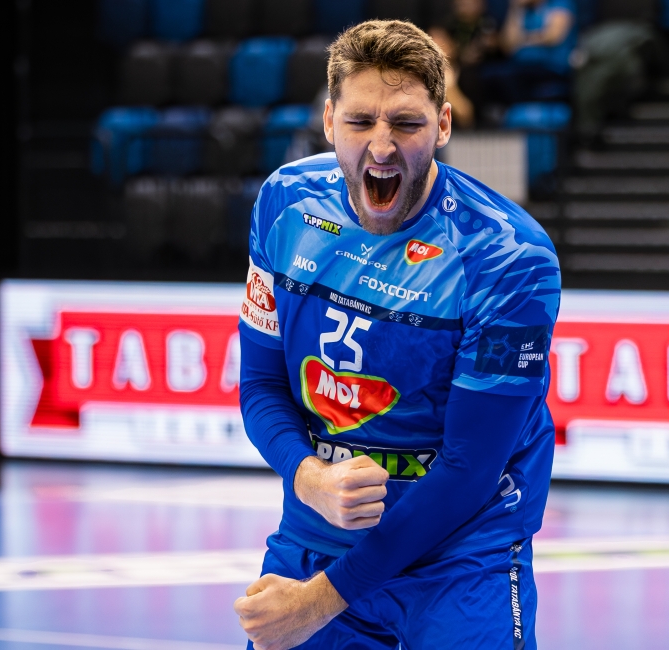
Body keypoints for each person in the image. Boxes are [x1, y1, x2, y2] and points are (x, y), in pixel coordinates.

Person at [232, 19, 561, 650]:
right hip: (320, 528)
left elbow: (469, 468)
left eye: (406, 124)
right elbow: (260, 385)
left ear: (443, 125)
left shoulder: (508, 257)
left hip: (461, 551)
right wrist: (308, 478)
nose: (381, 147)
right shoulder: (285, 204)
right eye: (360, 122)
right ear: (329, 121)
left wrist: (318, 602)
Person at [482, 0, 576, 105]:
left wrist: (522, 40)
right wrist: (514, 9)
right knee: (489, 74)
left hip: (551, 67)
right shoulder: (523, 10)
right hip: (521, 66)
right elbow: (507, 46)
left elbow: (552, 37)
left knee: (505, 77)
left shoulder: (559, 3)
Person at [429, 0, 500, 128]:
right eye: (432, 43)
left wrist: (450, 87)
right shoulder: (423, 76)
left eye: (441, 41)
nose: (437, 47)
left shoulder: (468, 75)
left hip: (463, 133)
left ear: (451, 43)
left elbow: (466, 116)